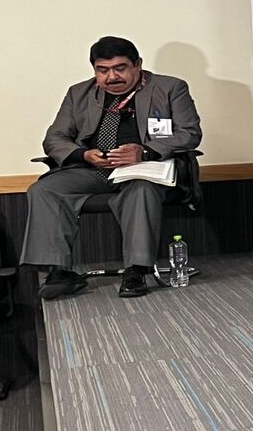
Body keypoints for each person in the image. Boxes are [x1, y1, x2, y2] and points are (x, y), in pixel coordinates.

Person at [22, 36, 203, 299]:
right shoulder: (78, 93)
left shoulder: (170, 87)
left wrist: (145, 151)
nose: (111, 77)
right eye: (102, 70)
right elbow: (54, 138)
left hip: (144, 169)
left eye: (120, 68)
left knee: (140, 190)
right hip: (92, 169)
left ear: (138, 64)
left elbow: (190, 133)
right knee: (45, 189)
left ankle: (136, 270)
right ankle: (59, 271)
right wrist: (83, 154)